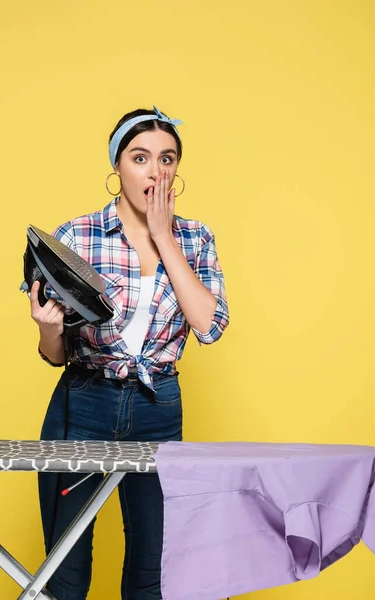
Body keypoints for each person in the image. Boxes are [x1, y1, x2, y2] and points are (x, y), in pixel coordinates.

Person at [29, 105, 229, 600]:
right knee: (65, 569)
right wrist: (47, 329)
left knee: (152, 569)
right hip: (85, 405)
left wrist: (164, 236)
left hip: (158, 409)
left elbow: (209, 325)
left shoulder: (196, 238)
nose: (155, 171)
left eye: (167, 159)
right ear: (117, 165)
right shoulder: (78, 235)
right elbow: (55, 354)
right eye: (141, 158)